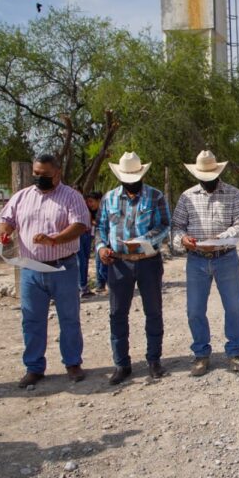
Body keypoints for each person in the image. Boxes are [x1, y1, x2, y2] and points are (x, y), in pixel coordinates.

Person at [0, 153, 91, 387]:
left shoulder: (71, 197)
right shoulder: (21, 197)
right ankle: (34, 367)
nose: (39, 178)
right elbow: (4, 219)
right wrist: (4, 231)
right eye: (36, 174)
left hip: (62, 267)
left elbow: (80, 225)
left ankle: (72, 363)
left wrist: (55, 239)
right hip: (30, 269)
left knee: (69, 317)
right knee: (31, 319)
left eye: (45, 175)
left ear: (57, 173)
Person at [95, 152, 171, 385]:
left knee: (153, 311)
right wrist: (101, 248)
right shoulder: (109, 198)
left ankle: (154, 359)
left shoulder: (155, 196)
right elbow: (100, 227)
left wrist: (144, 239)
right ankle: (122, 363)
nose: (131, 182)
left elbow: (165, 225)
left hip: (148, 260)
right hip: (118, 262)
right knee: (118, 313)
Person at [172, 150, 239, 376]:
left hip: (225, 256)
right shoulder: (187, 197)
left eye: (210, 176)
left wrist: (220, 238)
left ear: (218, 173)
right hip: (196, 259)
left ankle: (234, 352)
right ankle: (201, 354)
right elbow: (177, 227)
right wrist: (183, 239)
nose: (206, 181)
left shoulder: (233, 194)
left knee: (234, 308)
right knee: (195, 310)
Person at [77, 191, 105, 297]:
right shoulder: (86, 210)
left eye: (91, 201)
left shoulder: (101, 210)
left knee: (87, 261)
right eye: (88, 201)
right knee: (82, 262)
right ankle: (83, 287)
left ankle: (95, 285)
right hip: (84, 236)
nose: (89, 204)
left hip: (90, 236)